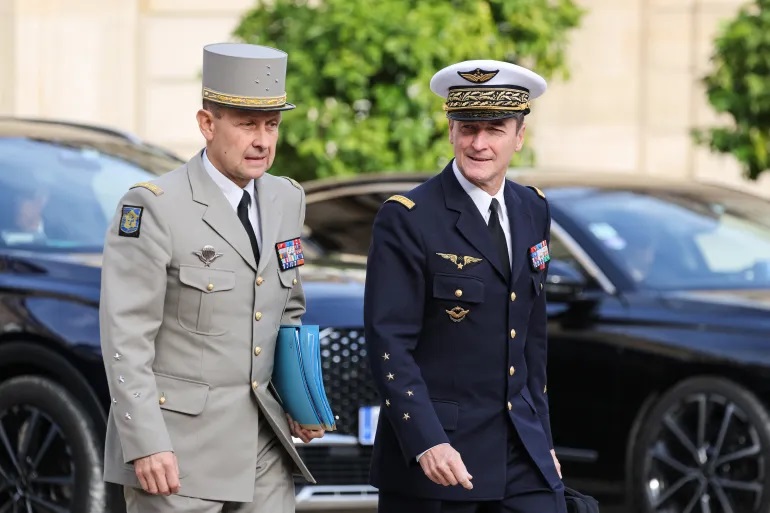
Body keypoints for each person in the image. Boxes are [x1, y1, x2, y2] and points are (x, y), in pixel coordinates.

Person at [99, 43, 323, 513]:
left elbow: (288, 310)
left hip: (263, 444)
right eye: (247, 125)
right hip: (176, 452)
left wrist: (300, 402)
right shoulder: (154, 206)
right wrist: (145, 442)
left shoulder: (286, 199)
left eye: (271, 125)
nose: (262, 141)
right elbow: (126, 336)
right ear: (207, 124)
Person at [364, 59, 567, 513]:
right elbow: (389, 343)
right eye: (468, 128)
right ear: (451, 131)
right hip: (440, 456)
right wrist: (427, 441)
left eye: (495, 129)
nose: (479, 143)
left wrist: (543, 439)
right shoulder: (408, 218)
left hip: (521, 449)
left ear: (519, 136)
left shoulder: (532, 208)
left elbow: (532, 339)